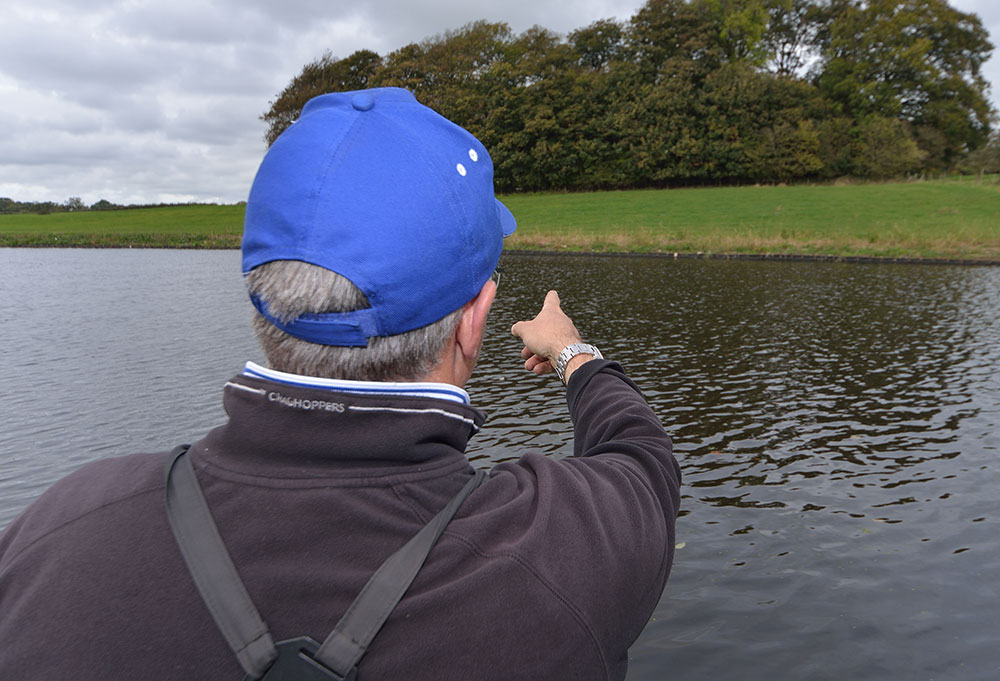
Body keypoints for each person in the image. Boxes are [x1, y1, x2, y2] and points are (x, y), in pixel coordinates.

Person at [0, 87, 681, 681]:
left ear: (263, 295)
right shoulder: (567, 554)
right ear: (473, 321)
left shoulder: (52, 535)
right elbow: (644, 460)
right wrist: (571, 352)